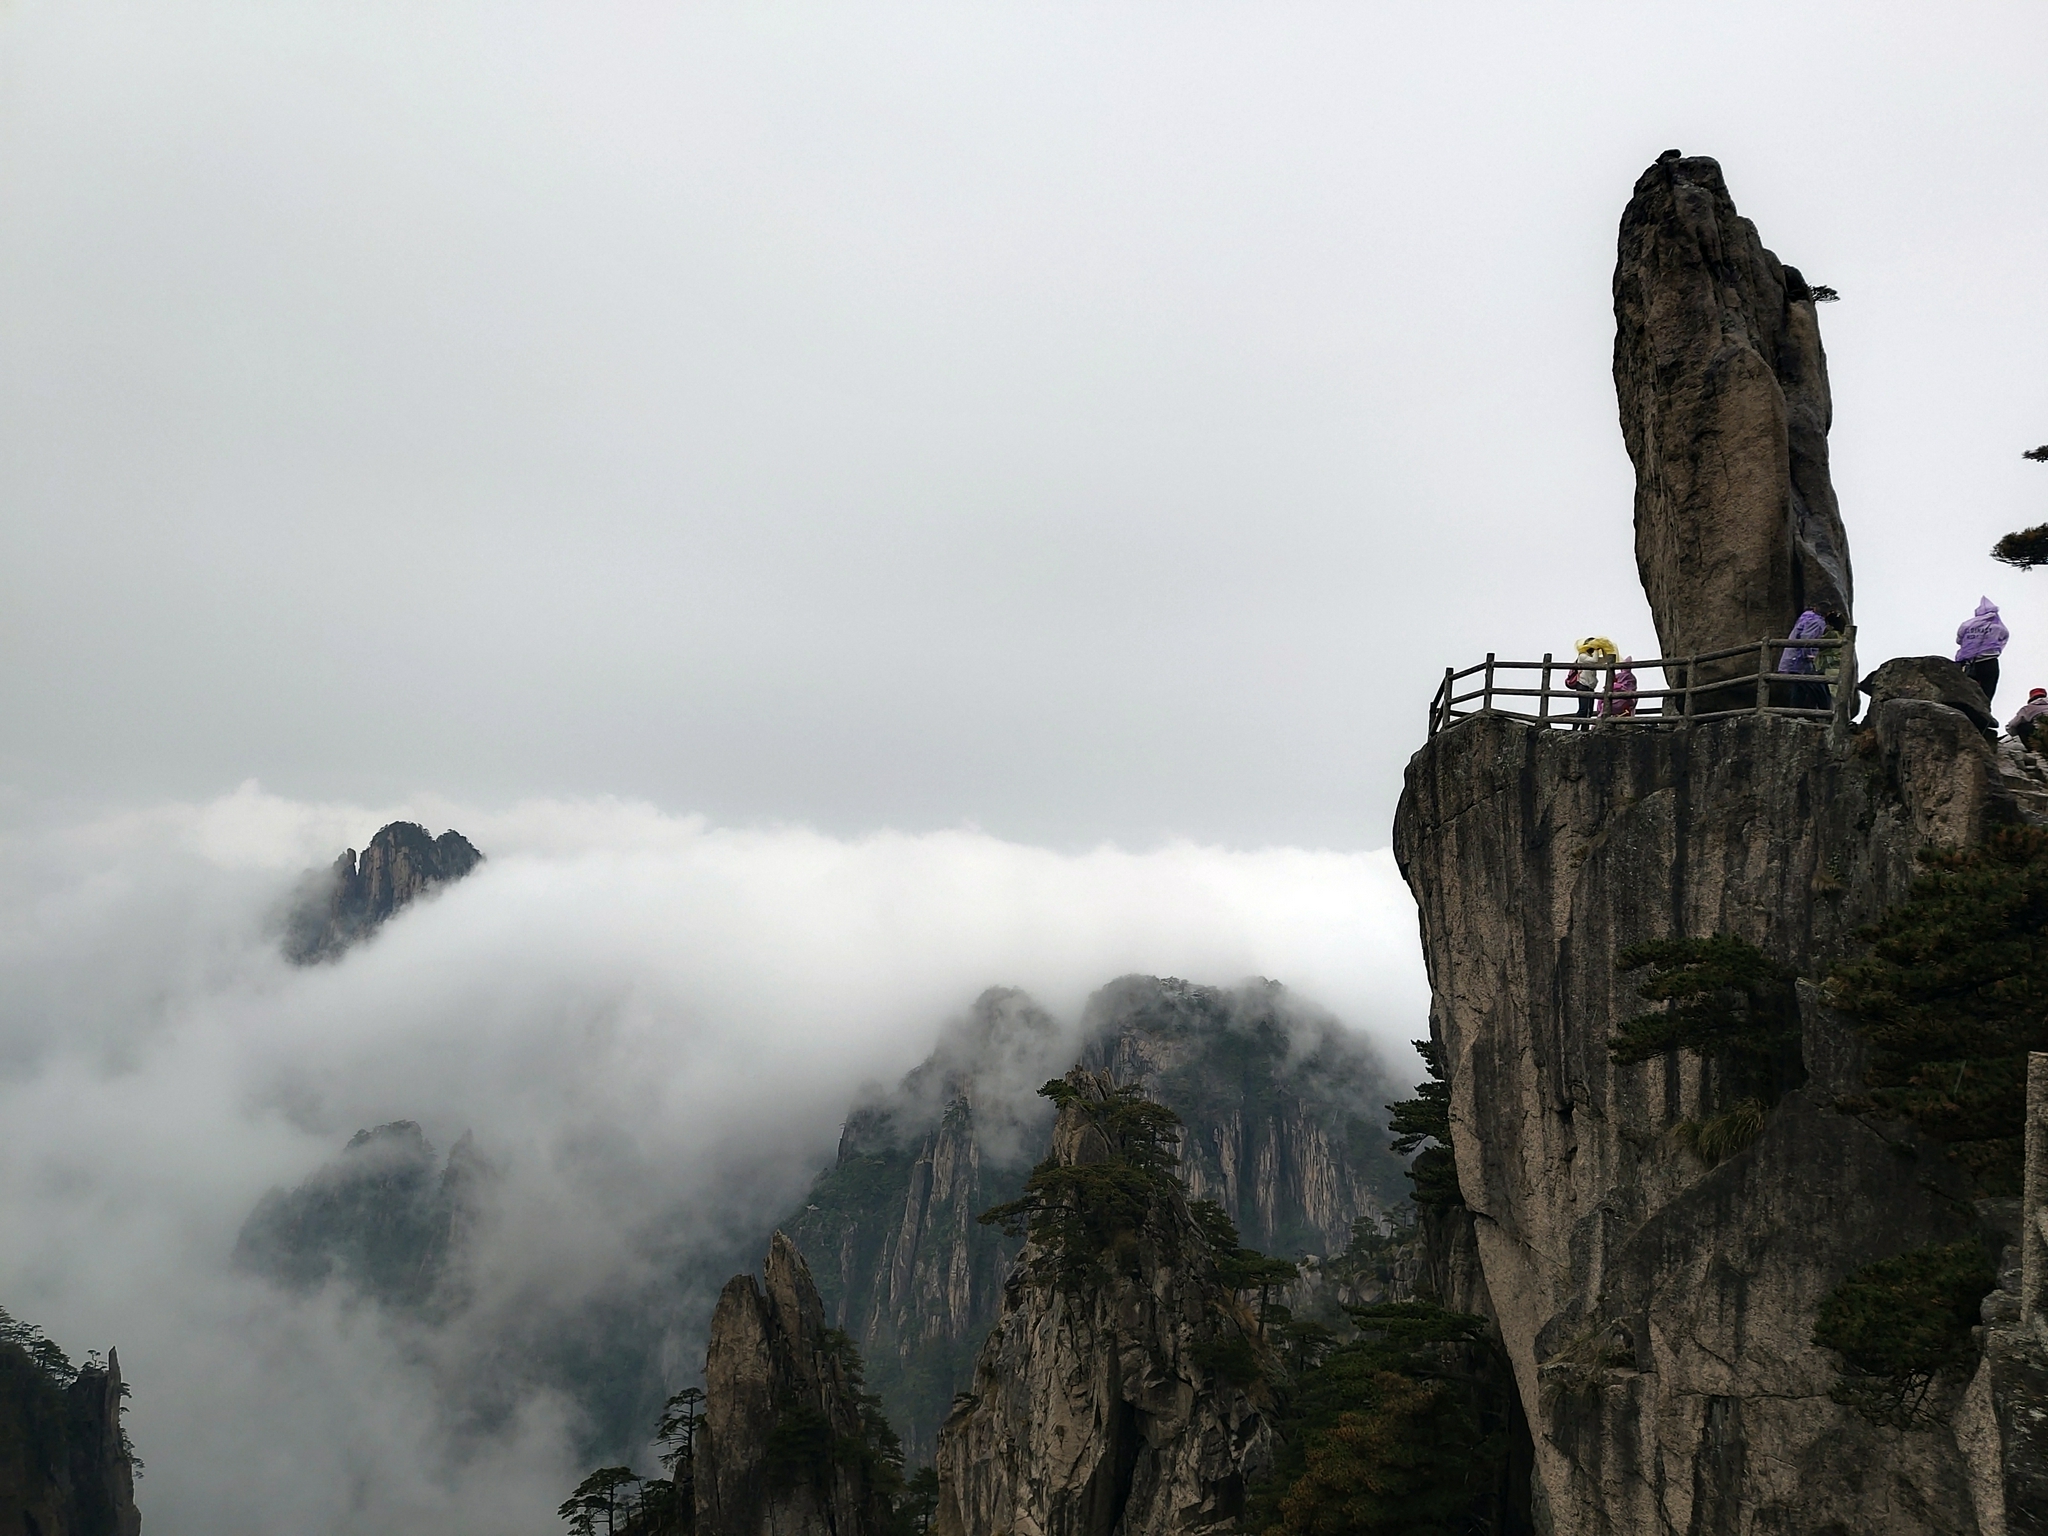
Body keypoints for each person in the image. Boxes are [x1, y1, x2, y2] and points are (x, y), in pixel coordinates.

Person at [1956, 597, 2009, 703]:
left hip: (1967, 663)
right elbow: (2004, 638)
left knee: (1966, 692)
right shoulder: (1998, 627)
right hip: (1989, 662)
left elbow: (1959, 640)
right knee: (1987, 692)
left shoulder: (1967, 625)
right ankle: (1984, 713)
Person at [1779, 608, 1830, 712]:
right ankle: (1827, 712)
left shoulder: (1805, 618)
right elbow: (1807, 637)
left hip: (1794, 658)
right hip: (1803, 660)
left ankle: (1794, 713)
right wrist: (1808, 655)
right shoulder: (1817, 621)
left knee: (1799, 687)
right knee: (1817, 686)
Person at [1565, 637, 1616, 731]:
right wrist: (1596, 650)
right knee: (1583, 709)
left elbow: (1604, 660)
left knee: (1589, 710)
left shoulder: (1590, 656)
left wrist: (1603, 650)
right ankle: (1574, 729)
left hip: (1590, 686)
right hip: (1582, 684)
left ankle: (1584, 730)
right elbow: (1594, 660)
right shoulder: (1582, 656)